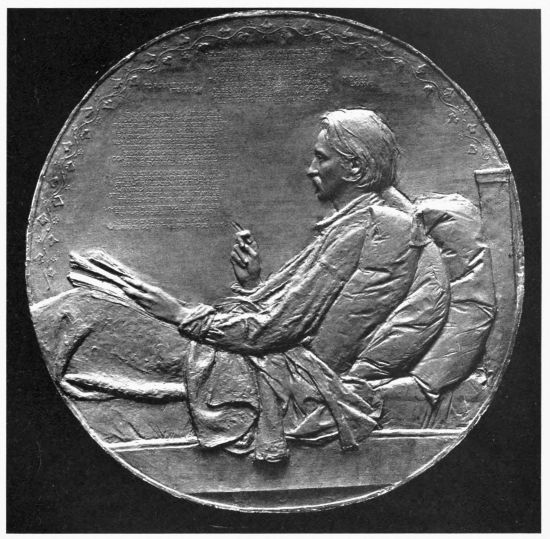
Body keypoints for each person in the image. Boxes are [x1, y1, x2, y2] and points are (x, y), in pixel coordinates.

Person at [116, 109, 451, 462]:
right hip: (278, 352)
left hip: (294, 373)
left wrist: (183, 316)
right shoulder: (351, 226)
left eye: (322, 158)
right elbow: (296, 315)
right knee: (109, 297)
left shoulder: (365, 230)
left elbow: (277, 329)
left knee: (108, 311)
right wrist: (253, 286)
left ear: (354, 168)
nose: (311, 169)